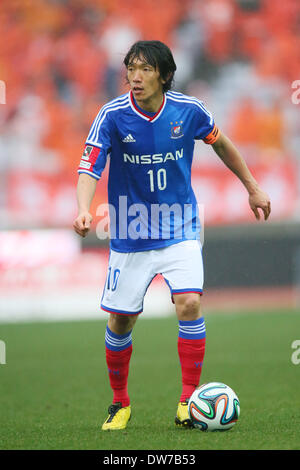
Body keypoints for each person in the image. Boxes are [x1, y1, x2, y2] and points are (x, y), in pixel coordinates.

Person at [73, 40, 271, 431]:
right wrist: (83, 206)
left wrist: (252, 186)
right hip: (130, 231)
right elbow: (90, 165)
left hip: (179, 225)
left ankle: (188, 400)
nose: (135, 76)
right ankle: (119, 403)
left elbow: (223, 145)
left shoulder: (189, 110)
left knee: (189, 305)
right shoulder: (111, 115)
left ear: (164, 75)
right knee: (121, 322)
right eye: (131, 68)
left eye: (144, 69)